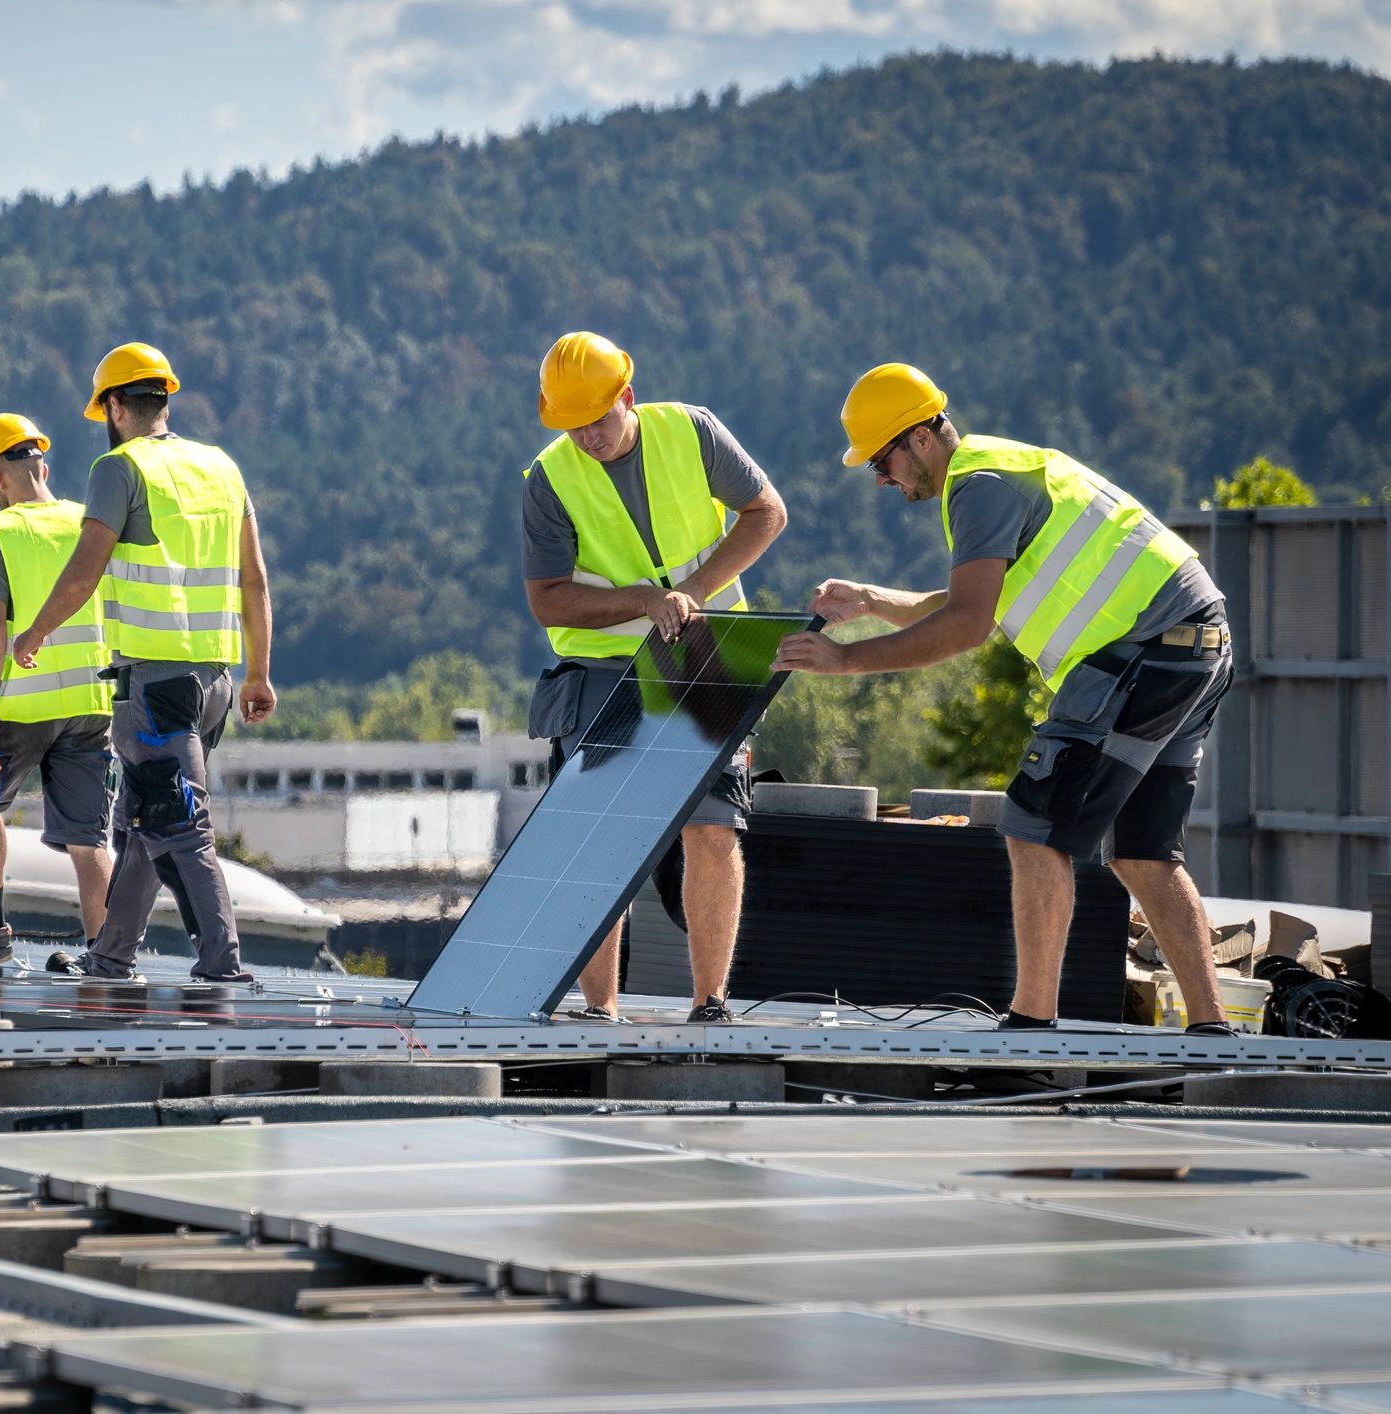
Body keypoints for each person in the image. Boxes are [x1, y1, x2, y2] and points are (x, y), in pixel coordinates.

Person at [773, 364, 1236, 1035]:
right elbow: (966, 604)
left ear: (920, 439)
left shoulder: (977, 488)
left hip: (1143, 648)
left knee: (1033, 824)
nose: (879, 478)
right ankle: (1211, 1027)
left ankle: (1030, 1024)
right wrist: (872, 602)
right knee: (1142, 852)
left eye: (881, 460)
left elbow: (962, 626)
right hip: (1193, 638)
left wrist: (844, 660)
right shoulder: (1000, 471)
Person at [521, 332, 787, 1023]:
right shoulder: (548, 478)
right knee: (595, 837)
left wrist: (694, 589)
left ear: (627, 398)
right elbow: (547, 598)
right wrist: (642, 600)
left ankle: (710, 1003)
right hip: (602, 671)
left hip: (708, 660)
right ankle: (597, 1008)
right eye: (572, 425)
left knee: (713, 828)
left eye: (598, 420)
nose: (587, 437)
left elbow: (767, 512)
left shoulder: (690, 432)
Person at [10, 342, 275, 983]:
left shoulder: (118, 468)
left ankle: (223, 966)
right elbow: (255, 581)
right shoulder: (222, 468)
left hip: (154, 686)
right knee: (142, 826)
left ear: (115, 406)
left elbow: (83, 572)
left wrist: (36, 632)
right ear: (165, 397)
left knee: (182, 828)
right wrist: (260, 673)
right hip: (213, 680)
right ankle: (110, 955)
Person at [0, 413, 113, 960]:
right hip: (91, 703)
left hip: (22, 703)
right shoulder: (90, 521)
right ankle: (105, 953)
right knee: (89, 839)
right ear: (41, 461)